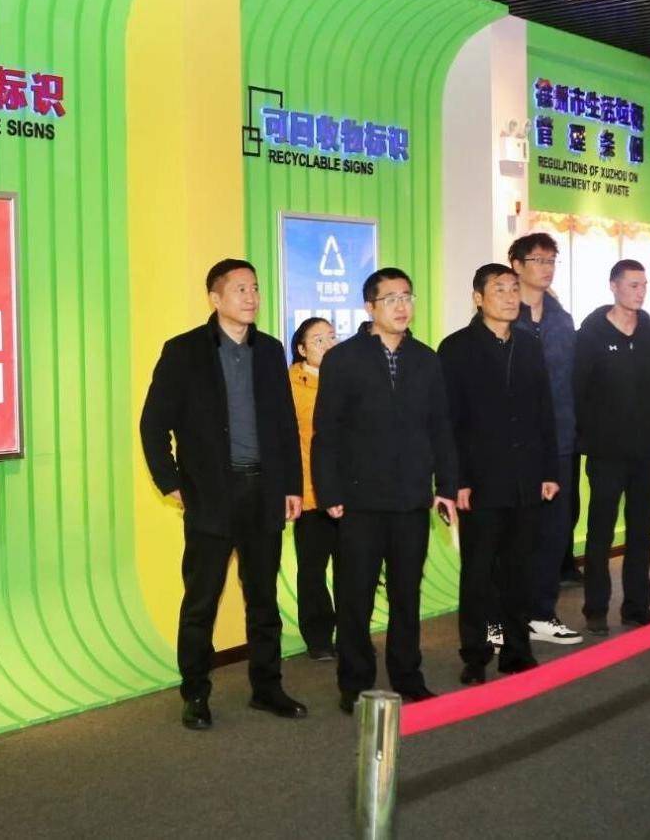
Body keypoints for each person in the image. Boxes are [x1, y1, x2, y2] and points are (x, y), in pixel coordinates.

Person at [140, 258, 306, 730]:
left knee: (264, 599)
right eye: (240, 289)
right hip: (211, 494)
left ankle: (267, 688)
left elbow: (285, 425)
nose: (251, 297)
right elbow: (153, 423)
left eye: (254, 288)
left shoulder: (270, 350)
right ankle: (195, 692)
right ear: (215, 298)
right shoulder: (183, 351)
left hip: (263, 492)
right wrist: (171, 482)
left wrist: (291, 486)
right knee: (201, 601)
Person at [312, 267, 458, 711]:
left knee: (406, 595)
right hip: (359, 501)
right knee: (355, 597)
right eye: (391, 298)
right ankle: (355, 683)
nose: (401, 306)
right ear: (370, 306)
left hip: (411, 498)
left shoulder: (426, 359)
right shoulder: (343, 359)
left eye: (407, 297)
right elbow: (326, 432)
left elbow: (441, 428)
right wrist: (329, 492)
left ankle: (408, 677)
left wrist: (446, 485)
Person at [439, 264, 560, 684]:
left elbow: (544, 411)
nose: (510, 297)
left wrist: (549, 470)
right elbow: (448, 422)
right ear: (478, 298)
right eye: (499, 290)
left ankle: (516, 651)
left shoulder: (529, 345)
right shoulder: (456, 348)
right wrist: (457, 480)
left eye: (513, 289)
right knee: (478, 572)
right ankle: (475, 655)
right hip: (479, 481)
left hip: (526, 477)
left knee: (519, 570)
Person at [574, 259, 650, 635]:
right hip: (606, 452)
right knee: (600, 532)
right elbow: (578, 391)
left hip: (645, 452)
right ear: (613, 286)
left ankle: (636, 605)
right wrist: (588, 437)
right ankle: (596, 607)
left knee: (641, 532)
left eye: (644, 285)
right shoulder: (590, 334)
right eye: (632, 285)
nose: (640, 292)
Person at [509, 233, 582, 646]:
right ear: (517, 265)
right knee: (515, 534)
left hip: (560, 441)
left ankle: (541, 613)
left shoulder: (561, 318)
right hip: (515, 445)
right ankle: (507, 619)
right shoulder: (504, 315)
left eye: (551, 260)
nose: (547, 267)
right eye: (538, 259)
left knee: (554, 533)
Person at [288, 317, 340, 659]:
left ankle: (352, 633)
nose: (329, 344)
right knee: (312, 570)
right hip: (310, 492)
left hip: (349, 493)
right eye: (319, 340)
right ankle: (319, 638)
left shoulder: (348, 376)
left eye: (332, 337)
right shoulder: (288, 384)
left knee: (353, 569)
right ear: (302, 349)